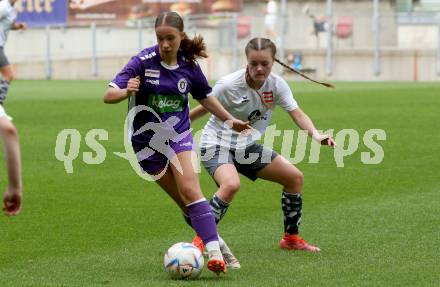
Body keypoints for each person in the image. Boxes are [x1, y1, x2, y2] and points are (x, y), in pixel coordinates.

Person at [103, 11, 250, 275]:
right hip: (146, 145)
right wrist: (127, 91)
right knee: (186, 205)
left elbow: (205, 97)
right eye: (160, 39)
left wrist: (229, 120)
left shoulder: (189, 66)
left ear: (181, 36)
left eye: (170, 38)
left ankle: (216, 254)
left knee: (192, 192)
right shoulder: (142, 62)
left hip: (179, 136)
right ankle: (222, 246)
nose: (165, 44)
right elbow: (108, 94)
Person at [190, 38, 336, 257]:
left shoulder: (277, 85)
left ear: (273, 62)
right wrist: (177, 126)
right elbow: (205, 107)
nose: (259, 68)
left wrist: (316, 135)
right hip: (216, 144)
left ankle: (291, 238)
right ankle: (201, 240)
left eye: (265, 63)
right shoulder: (228, 85)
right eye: (254, 63)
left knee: (294, 178)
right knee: (230, 185)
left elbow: (297, 113)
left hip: (246, 146)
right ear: (246, 61)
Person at [1, 0, 26, 216]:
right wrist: (14, 188)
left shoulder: (10, 9)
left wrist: (17, 27)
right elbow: (8, 131)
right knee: (9, 74)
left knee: (9, 74)